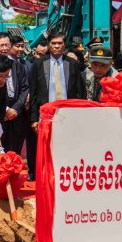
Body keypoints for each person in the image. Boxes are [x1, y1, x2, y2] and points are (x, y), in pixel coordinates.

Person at [29, 32, 86, 176]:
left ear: (64, 45)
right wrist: (34, 119)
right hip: (46, 114)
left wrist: (80, 114)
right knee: (47, 147)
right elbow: (34, 92)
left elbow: (80, 91)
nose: (56, 46)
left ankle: (65, 174)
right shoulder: (38, 63)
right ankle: (47, 175)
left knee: (67, 145)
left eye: (59, 43)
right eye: (53, 43)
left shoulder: (72, 64)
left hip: (67, 113)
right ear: (49, 44)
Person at [0, 32, 29, 154]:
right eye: (1, 45)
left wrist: (15, 109)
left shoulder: (18, 66)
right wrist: (6, 109)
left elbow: (25, 89)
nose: (4, 48)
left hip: (16, 115)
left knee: (14, 152)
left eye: (7, 45)